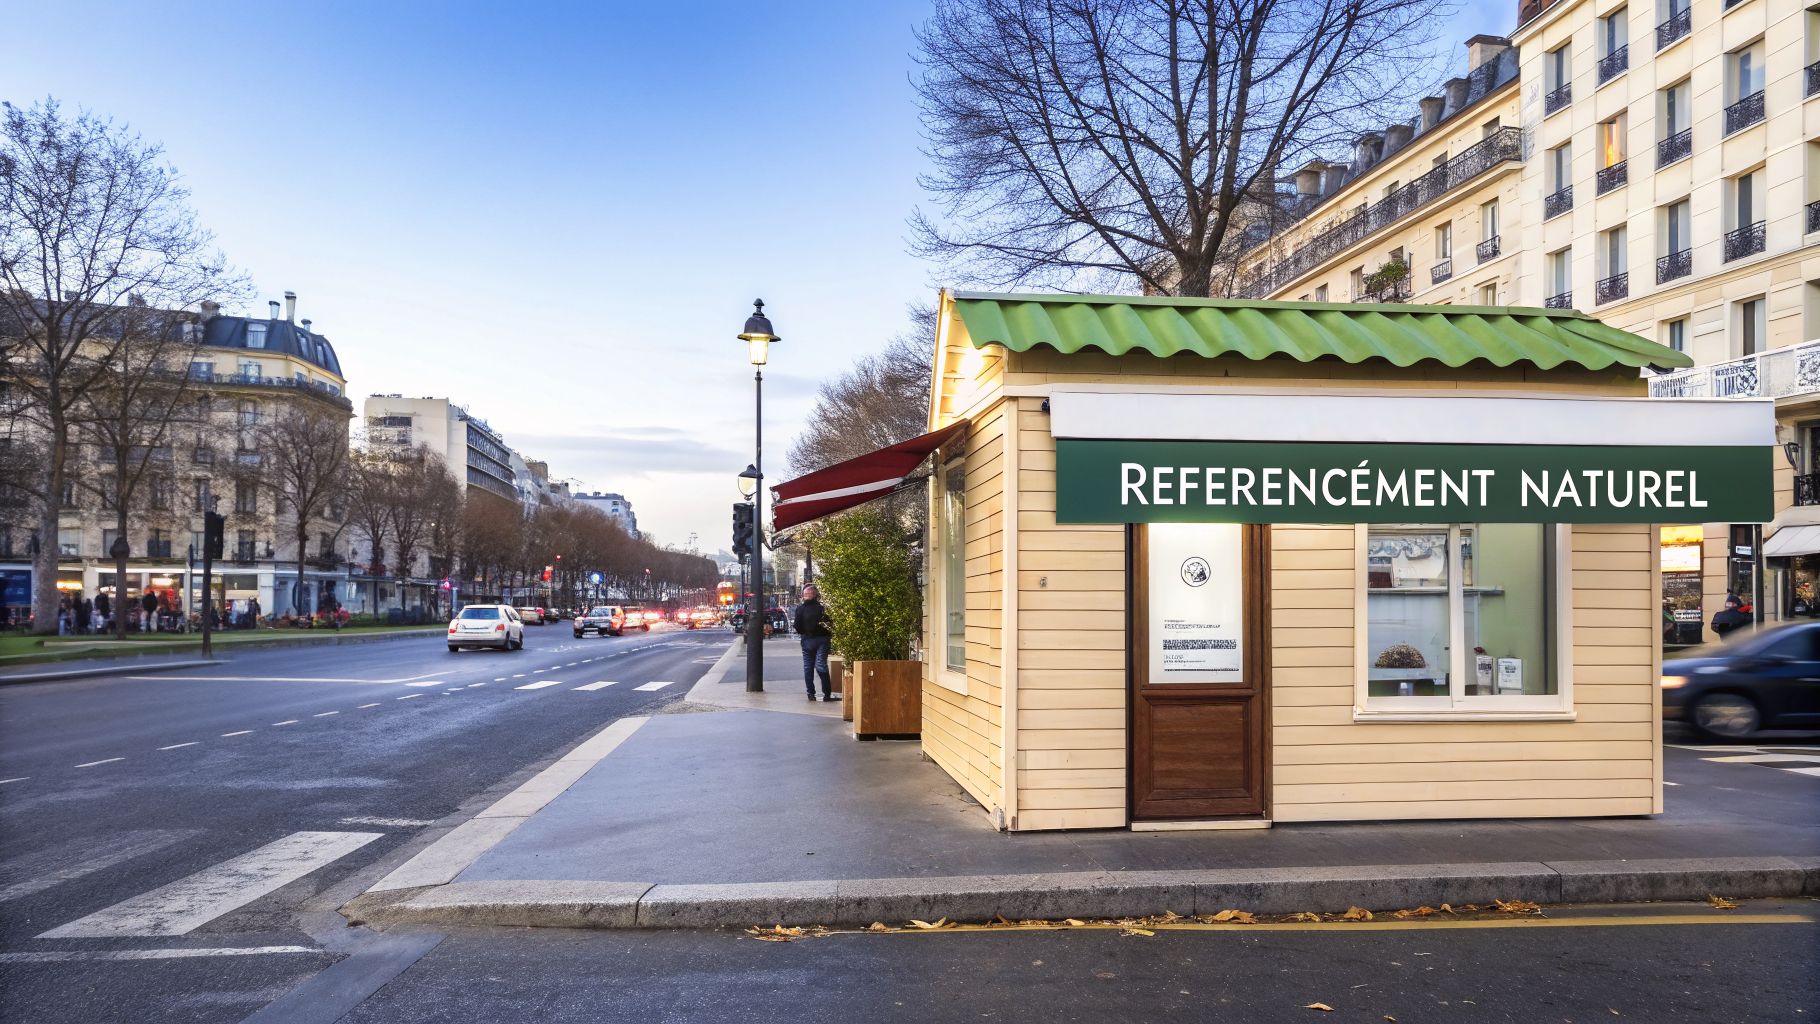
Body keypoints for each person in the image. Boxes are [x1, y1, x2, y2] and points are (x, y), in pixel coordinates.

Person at [793, 583, 837, 702]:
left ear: (804, 595)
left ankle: (811, 694)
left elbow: (797, 626)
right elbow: (829, 625)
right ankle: (827, 694)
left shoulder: (800, 609)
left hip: (807, 640)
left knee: (808, 667)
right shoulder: (822, 609)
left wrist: (805, 633)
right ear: (815, 595)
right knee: (821, 665)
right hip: (822, 640)